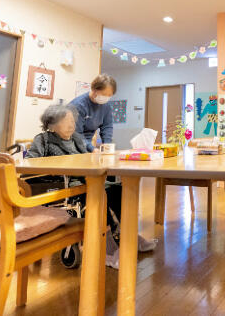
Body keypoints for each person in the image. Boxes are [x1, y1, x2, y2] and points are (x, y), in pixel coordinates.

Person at [27, 104, 156, 254]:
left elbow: (88, 157)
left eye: (73, 121)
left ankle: (130, 236)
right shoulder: (43, 139)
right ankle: (112, 243)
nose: (71, 125)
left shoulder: (76, 138)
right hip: (64, 186)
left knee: (119, 189)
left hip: (86, 181)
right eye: (65, 121)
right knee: (101, 194)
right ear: (52, 124)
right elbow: (31, 163)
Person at [69, 74, 116, 152]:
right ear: (94, 89)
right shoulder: (78, 105)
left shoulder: (106, 106)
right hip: (71, 145)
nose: (106, 98)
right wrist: (92, 149)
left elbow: (107, 126)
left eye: (109, 95)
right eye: (104, 94)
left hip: (86, 144)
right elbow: (76, 134)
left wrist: (107, 145)